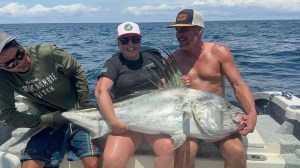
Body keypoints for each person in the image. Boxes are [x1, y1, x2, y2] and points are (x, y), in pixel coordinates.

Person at [167, 9, 257, 168]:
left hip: (217, 118)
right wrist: (175, 86)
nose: (179, 34)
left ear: (199, 30)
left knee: (235, 151)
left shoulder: (219, 52)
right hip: (189, 121)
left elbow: (238, 85)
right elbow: (164, 92)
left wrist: (252, 113)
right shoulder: (173, 59)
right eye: (177, 30)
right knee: (187, 152)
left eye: (184, 29)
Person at [0, 30, 102, 168]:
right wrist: (46, 120)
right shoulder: (3, 78)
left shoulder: (47, 53)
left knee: (92, 162)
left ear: (19, 45)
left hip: (78, 114)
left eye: (20, 54)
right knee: (30, 164)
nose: (20, 62)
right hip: (48, 120)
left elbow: (76, 70)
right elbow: (7, 115)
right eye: (11, 64)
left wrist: (83, 98)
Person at [95, 21, 175, 168]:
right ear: (118, 43)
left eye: (135, 39)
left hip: (155, 118)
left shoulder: (153, 59)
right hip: (126, 122)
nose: (130, 44)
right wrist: (114, 122)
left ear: (140, 40)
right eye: (125, 40)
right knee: (111, 161)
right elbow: (101, 91)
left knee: (168, 149)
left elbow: (165, 88)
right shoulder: (114, 63)